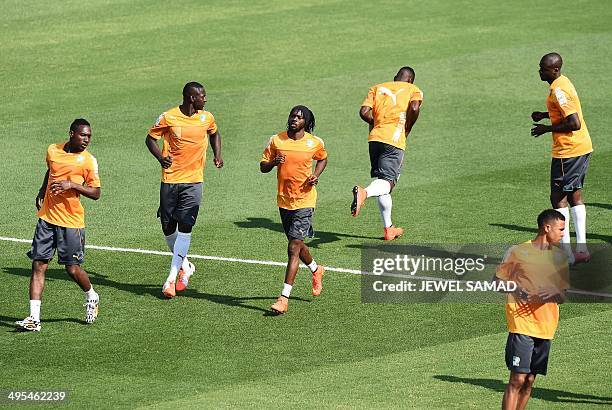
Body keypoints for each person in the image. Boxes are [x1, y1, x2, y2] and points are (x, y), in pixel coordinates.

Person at [16, 119, 101, 331]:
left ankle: (91, 295)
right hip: (47, 218)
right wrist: (41, 190)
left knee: (72, 269)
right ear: (71, 133)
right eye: (83, 135)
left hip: (71, 222)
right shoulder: (53, 150)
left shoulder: (88, 161)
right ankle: (34, 319)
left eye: (89, 136)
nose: (86, 140)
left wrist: (71, 185)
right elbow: (51, 171)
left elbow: (96, 193)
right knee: (38, 265)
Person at [145, 82, 223, 298]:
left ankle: (170, 279)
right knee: (168, 227)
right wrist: (161, 157)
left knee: (186, 226)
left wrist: (217, 154)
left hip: (194, 181)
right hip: (170, 180)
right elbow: (150, 139)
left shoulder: (207, 117)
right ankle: (186, 266)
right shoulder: (168, 117)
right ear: (191, 98)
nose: (205, 99)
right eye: (202, 96)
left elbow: (214, 134)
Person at [496, 209, 570, 410]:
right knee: (517, 380)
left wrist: (553, 291)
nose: (563, 233)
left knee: (529, 381)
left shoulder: (560, 258)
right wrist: (518, 290)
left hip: (546, 327)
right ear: (547, 228)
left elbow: (562, 296)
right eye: (561, 229)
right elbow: (497, 282)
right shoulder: (517, 252)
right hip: (522, 325)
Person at [260, 106, 328, 314]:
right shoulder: (277, 140)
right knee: (296, 244)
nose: (294, 119)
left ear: (306, 122)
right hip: (284, 201)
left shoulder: (314, 142)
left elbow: (323, 158)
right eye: (292, 116)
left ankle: (283, 297)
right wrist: (273, 162)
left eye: (299, 117)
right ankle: (317, 269)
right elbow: (262, 165)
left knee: (293, 247)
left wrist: (316, 174)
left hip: (305, 200)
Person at [531, 53, 593, 265]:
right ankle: (581, 250)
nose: (539, 71)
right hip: (582, 147)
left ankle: (567, 254)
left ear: (554, 70)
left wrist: (546, 128)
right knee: (575, 195)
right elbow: (567, 111)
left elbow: (573, 122)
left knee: (558, 199)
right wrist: (545, 114)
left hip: (569, 151)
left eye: (543, 68)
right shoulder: (563, 83)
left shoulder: (559, 88)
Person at [352, 66, 423, 241]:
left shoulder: (376, 88)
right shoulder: (413, 89)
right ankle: (364, 193)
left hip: (374, 139)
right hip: (394, 140)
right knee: (388, 182)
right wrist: (407, 127)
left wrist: (379, 122)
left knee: (382, 182)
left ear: (394, 78)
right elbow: (414, 108)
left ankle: (388, 229)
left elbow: (363, 112)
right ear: (410, 81)